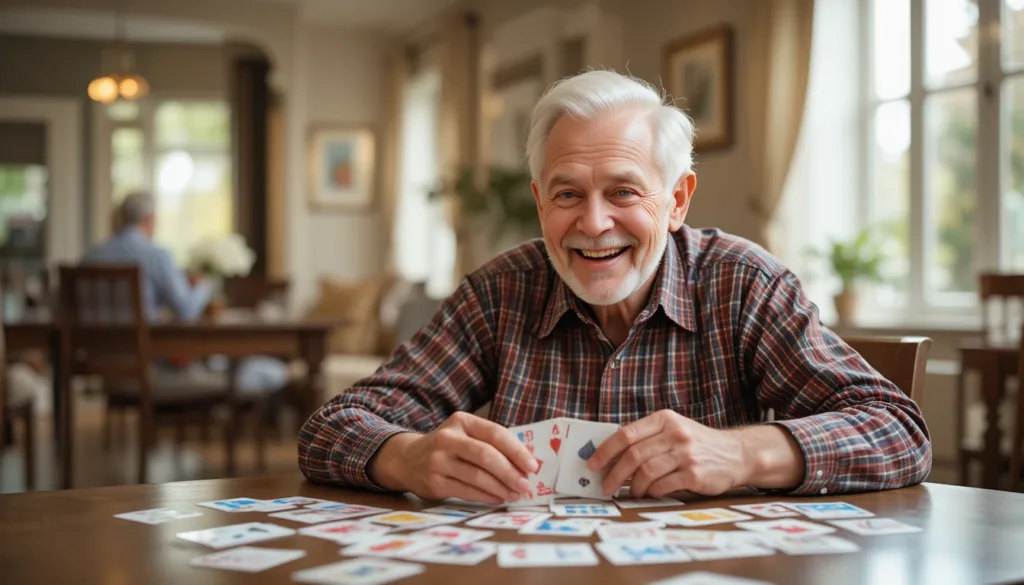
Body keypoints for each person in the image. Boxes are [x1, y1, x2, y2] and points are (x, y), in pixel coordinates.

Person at [298, 70, 931, 504]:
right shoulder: (499, 292)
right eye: (567, 194)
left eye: (624, 192)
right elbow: (331, 426)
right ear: (539, 201)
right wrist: (406, 457)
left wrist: (744, 455)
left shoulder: (743, 283)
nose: (594, 223)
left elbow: (899, 431)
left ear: (677, 199)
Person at [83, 191, 287, 394]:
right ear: (151, 220)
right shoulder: (156, 255)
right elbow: (186, 310)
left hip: (99, 364)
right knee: (264, 372)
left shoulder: (90, 256)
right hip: (152, 368)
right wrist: (204, 284)